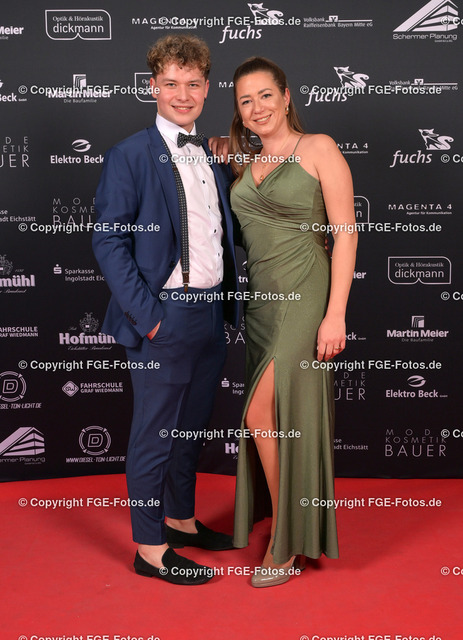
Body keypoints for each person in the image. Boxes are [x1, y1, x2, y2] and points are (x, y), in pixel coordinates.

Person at [92, 34, 239, 586]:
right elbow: (108, 241)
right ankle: (150, 549)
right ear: (153, 86)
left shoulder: (210, 153)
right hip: (165, 315)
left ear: (207, 88)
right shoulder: (130, 154)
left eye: (193, 84)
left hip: (210, 314)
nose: (183, 95)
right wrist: (149, 317)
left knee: (190, 428)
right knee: (155, 434)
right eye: (171, 84)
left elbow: (219, 231)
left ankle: (179, 520)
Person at [228, 56, 357, 587]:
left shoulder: (319, 147)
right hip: (260, 304)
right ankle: (291, 523)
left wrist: (335, 314)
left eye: (265, 95)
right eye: (245, 100)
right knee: (270, 419)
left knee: (260, 413)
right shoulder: (242, 162)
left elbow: (345, 233)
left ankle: (286, 536)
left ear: (286, 96)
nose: (257, 107)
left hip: (306, 295)